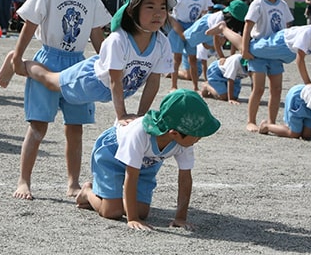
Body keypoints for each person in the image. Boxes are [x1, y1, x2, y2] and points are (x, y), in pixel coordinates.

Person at [0, 0, 112, 200]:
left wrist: (108, 62)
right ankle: (24, 180)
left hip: (77, 65)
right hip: (48, 59)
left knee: (75, 128)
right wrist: (18, 56)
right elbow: (29, 25)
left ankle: (73, 182)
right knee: (38, 126)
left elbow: (97, 33)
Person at [2, 0, 175, 125]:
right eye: (150, 7)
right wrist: (121, 115)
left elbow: (153, 82)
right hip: (91, 81)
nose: (158, 14)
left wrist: (140, 117)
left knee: (65, 105)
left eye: (163, 7)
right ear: (132, 10)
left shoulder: (162, 43)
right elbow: (115, 80)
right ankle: (22, 63)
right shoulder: (118, 40)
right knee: (50, 81)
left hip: (116, 88)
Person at [74, 89, 221, 230]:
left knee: (142, 212)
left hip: (145, 164)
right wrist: (132, 219)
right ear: (174, 133)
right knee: (112, 212)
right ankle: (88, 191)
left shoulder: (184, 141)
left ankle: (112, 198)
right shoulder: (139, 133)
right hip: (112, 155)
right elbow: (131, 175)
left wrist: (180, 218)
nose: (199, 138)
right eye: (197, 134)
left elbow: (185, 179)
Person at [241, 0, 294, 132]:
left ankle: (271, 121)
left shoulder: (282, 5)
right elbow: (248, 26)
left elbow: (286, 27)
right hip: (259, 51)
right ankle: (251, 120)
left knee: (277, 89)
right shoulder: (258, 3)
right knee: (258, 88)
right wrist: (245, 49)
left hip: (275, 53)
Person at [216, 21, 311, 85]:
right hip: (280, 44)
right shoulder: (309, 33)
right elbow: (300, 60)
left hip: (289, 53)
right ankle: (223, 28)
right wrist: (308, 83)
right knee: (247, 49)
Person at [168, 0, 214, 92]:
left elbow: (205, 13)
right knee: (176, 58)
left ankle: (195, 87)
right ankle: (173, 85)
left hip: (192, 27)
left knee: (193, 58)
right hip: (179, 26)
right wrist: (174, 23)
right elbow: (166, 3)